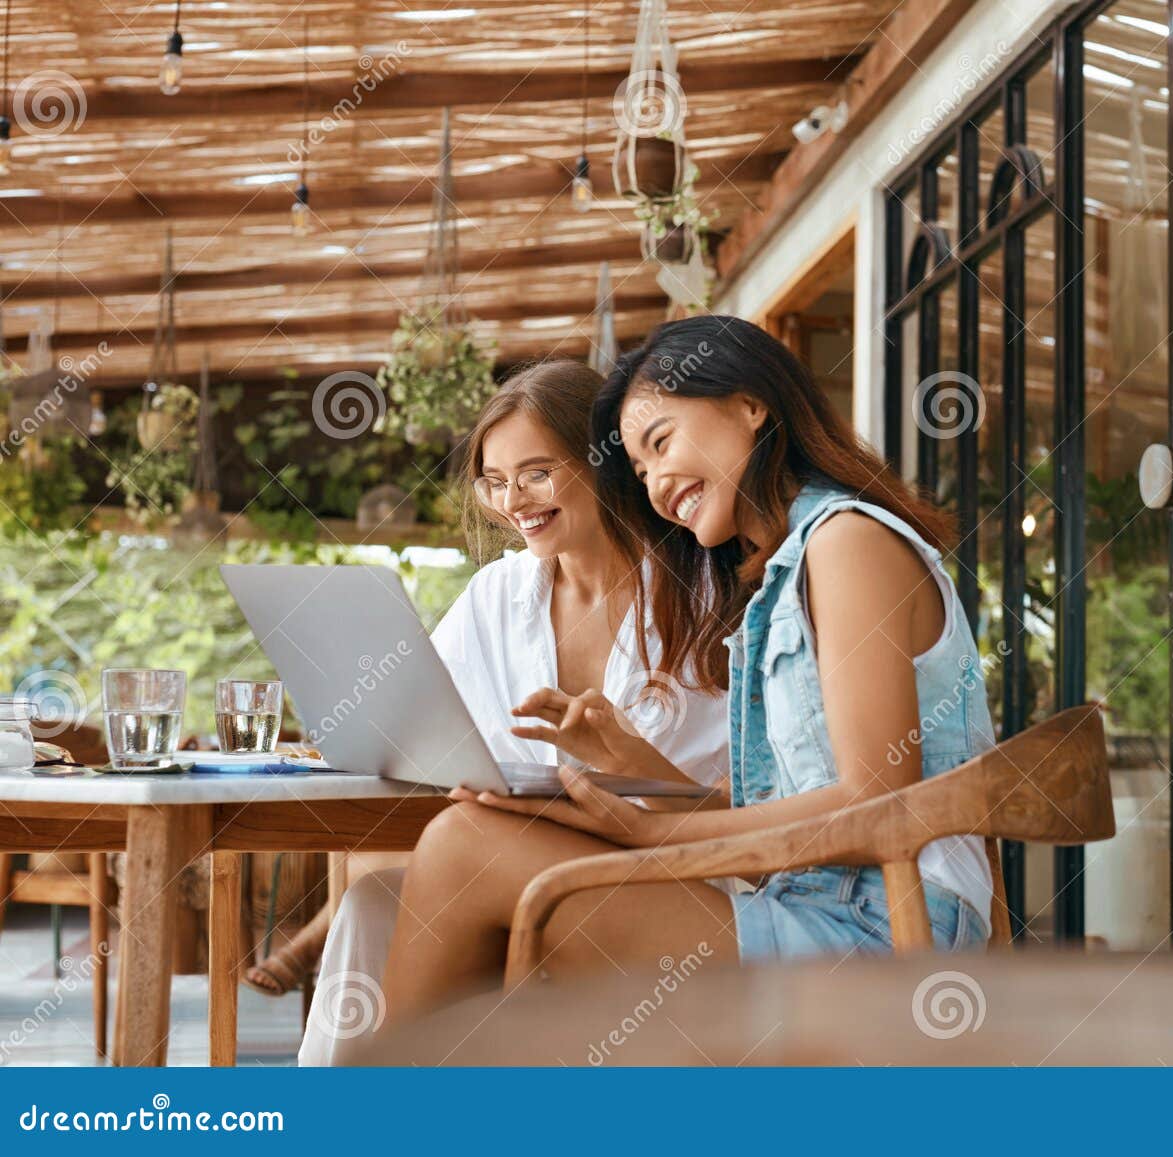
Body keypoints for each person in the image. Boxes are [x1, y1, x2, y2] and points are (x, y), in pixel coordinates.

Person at [379, 315, 992, 1026]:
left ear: (749, 403)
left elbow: (873, 803)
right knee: (477, 851)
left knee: (464, 852)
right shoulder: (776, 582)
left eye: (662, 442)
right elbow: (779, 829)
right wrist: (634, 769)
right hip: (800, 912)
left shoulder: (847, 543)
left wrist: (651, 834)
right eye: (638, 470)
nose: (657, 483)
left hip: (881, 936)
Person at [294, 359, 729, 1065]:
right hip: (539, 864)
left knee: (457, 853)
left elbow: (756, 787)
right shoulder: (496, 595)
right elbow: (419, 722)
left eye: (535, 472)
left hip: (684, 877)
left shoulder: (706, 591)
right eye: (494, 481)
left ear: (604, 462)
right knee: (373, 901)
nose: (513, 500)